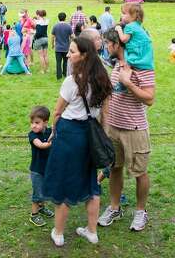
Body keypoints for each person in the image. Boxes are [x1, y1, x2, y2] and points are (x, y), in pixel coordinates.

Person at [43, 37, 112, 246]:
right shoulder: (102, 79)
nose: (67, 55)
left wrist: (55, 131)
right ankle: (92, 231)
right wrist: (102, 138)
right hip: (91, 135)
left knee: (64, 182)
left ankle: (59, 233)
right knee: (91, 183)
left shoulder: (72, 81)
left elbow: (57, 111)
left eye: (72, 51)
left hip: (70, 134)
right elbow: (105, 116)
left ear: (84, 55)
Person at [98, 28, 155, 232]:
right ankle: (114, 208)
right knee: (114, 168)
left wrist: (128, 83)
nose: (105, 47)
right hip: (114, 127)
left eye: (107, 44)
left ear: (117, 45)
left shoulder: (141, 66)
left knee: (140, 172)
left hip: (135, 129)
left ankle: (141, 212)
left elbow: (149, 99)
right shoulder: (117, 65)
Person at [28, 106, 54, 227]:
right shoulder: (33, 135)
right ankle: (34, 215)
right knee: (37, 193)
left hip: (47, 169)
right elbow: (41, 145)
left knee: (43, 191)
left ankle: (42, 208)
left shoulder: (49, 132)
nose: (34, 125)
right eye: (32, 123)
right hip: (37, 170)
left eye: (37, 123)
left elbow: (57, 128)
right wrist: (51, 143)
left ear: (45, 122)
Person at [115, 3, 154, 70]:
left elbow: (124, 39)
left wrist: (119, 29)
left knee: (126, 60)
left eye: (124, 13)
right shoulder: (137, 24)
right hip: (145, 51)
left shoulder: (129, 26)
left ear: (133, 16)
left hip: (137, 52)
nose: (121, 15)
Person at [51, 12, 73, 80]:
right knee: (66, 62)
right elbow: (72, 36)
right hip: (66, 47)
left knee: (58, 62)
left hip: (58, 48)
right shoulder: (68, 26)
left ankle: (59, 76)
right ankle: (65, 74)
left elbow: (52, 37)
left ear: (58, 18)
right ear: (65, 18)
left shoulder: (55, 26)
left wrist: (52, 45)